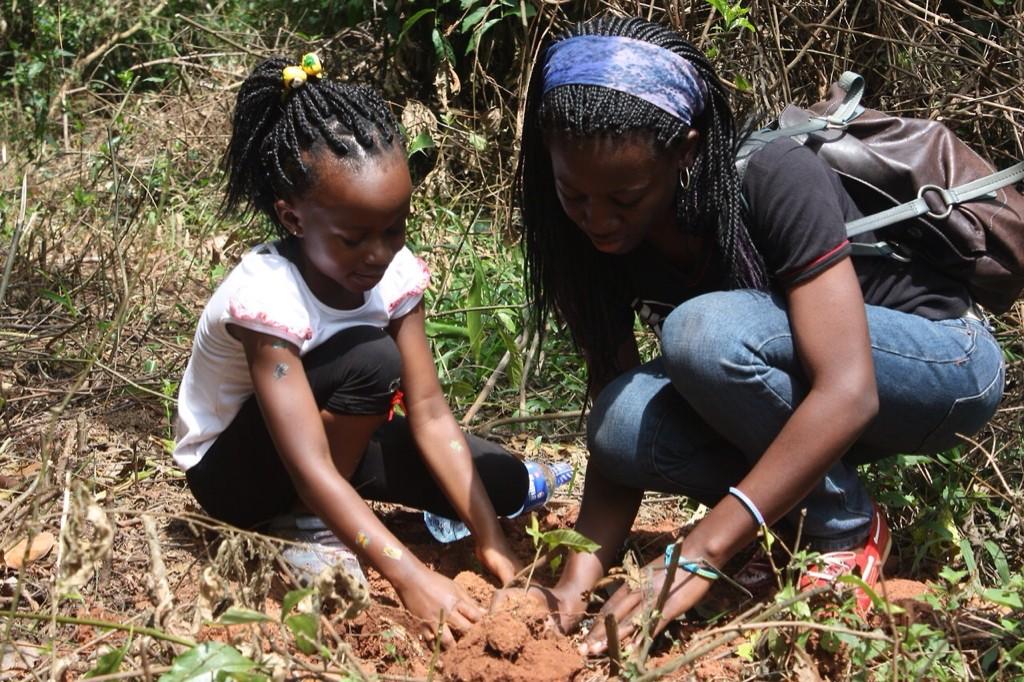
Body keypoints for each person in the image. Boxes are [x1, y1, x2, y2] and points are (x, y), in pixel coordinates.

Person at [511, 16, 1005, 653]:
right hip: (797, 383)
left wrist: (702, 548)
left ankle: (844, 528)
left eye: (626, 198)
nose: (598, 220)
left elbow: (849, 391)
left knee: (702, 331)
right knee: (619, 419)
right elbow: (613, 426)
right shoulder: (582, 240)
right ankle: (787, 519)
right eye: (573, 195)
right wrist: (573, 587)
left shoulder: (771, 177)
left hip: (940, 362)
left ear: (685, 151)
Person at [172, 54, 529, 647]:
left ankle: (350, 513)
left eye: (395, 228)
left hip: (336, 437)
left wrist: (489, 536)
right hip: (239, 473)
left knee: (502, 482)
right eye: (353, 237)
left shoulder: (393, 273)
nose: (378, 253)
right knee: (372, 357)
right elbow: (309, 466)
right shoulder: (266, 296)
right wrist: (410, 577)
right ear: (292, 218)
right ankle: (306, 528)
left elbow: (432, 412)